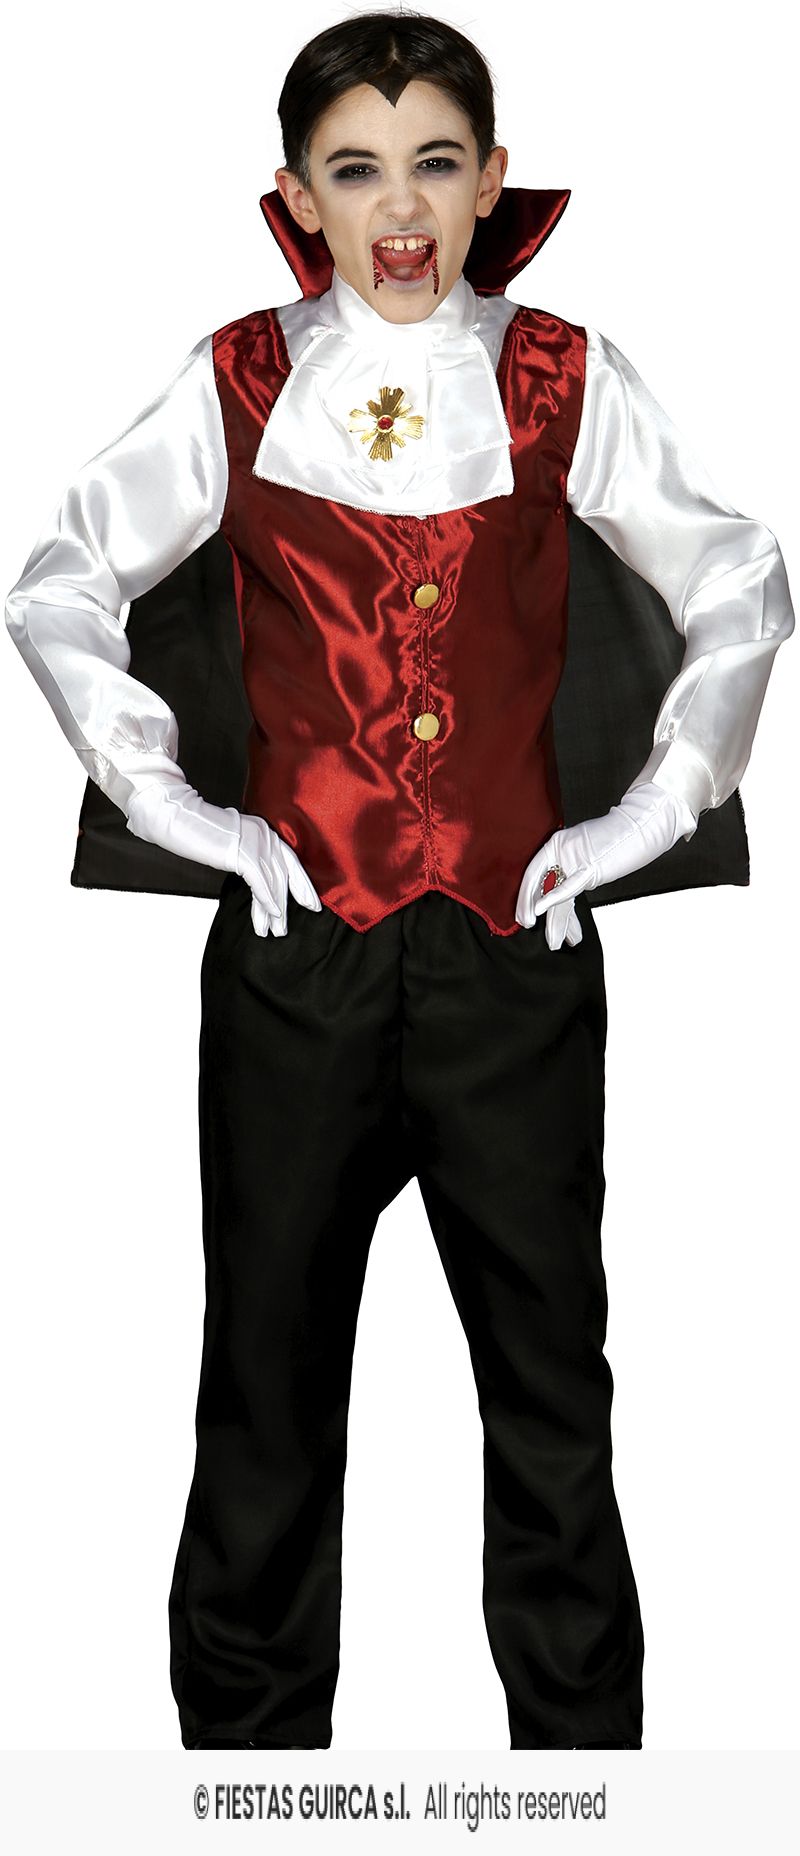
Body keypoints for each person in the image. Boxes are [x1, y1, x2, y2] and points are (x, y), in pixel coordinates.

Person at [4, 11, 794, 1752]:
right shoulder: (237, 379)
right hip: (298, 965)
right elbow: (59, 582)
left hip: (515, 961)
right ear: (298, 196)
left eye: (436, 162)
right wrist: (181, 807)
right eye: (356, 171)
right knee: (264, 1394)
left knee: (552, 1397)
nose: (402, 208)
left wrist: (654, 808)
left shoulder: (561, 377)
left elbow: (741, 575)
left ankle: (586, 1797)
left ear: (492, 178)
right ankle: (243, 1794)